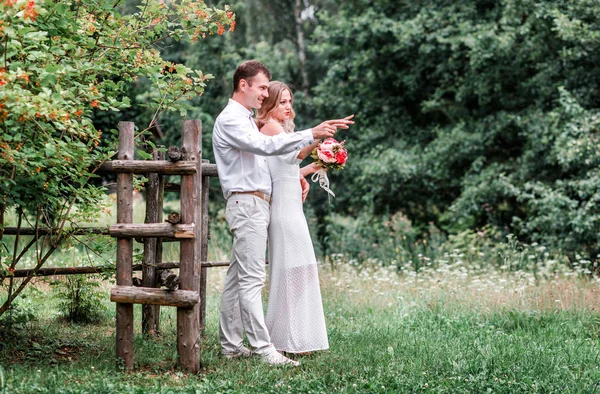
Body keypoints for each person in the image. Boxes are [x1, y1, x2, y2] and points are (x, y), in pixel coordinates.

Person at [212, 60, 353, 366]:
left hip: (256, 203)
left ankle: (231, 345)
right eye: (262, 87)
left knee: (238, 279)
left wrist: (301, 174)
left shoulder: (245, 118)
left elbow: (271, 159)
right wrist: (310, 134)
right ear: (243, 85)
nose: (265, 93)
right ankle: (264, 349)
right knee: (251, 280)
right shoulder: (231, 120)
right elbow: (265, 147)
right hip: (247, 203)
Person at [257, 81, 331, 355]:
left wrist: (320, 157)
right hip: (284, 213)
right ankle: (286, 338)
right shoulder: (268, 126)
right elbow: (295, 152)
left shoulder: (280, 129)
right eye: (282, 102)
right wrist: (316, 137)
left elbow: (293, 162)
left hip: (292, 208)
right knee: (294, 271)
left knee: (300, 271)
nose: (288, 107)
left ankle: (290, 335)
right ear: (269, 104)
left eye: (289, 102)